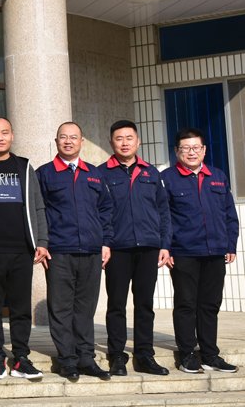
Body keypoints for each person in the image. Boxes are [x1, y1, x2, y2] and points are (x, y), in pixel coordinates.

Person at [0, 117, 48, 380]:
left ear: (12, 136)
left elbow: (38, 206)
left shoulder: (24, 167)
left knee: (20, 308)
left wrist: (41, 241)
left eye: (4, 133)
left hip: (21, 249)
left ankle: (21, 357)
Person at [36, 121, 114, 381]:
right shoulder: (44, 174)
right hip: (59, 251)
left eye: (73, 137)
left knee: (85, 308)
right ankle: (67, 360)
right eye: (63, 137)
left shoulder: (95, 174)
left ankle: (86, 358)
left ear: (82, 141)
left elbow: (106, 210)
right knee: (60, 308)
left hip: (91, 251)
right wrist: (42, 243)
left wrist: (105, 242)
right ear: (56, 141)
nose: (68, 141)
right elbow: (38, 212)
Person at [161, 127, 239, 374]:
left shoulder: (217, 176)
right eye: (186, 148)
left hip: (215, 251)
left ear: (204, 150)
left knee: (210, 304)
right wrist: (166, 247)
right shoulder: (167, 179)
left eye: (196, 147)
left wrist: (230, 244)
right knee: (186, 303)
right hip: (183, 252)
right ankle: (187, 354)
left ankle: (210, 354)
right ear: (177, 151)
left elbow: (229, 213)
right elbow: (163, 217)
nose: (191, 152)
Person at [100, 120, 171, 376]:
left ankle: (144, 355)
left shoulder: (151, 173)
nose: (124, 143)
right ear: (111, 142)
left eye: (129, 138)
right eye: (119, 138)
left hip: (148, 247)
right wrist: (104, 242)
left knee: (145, 304)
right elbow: (98, 212)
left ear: (138, 142)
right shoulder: (100, 173)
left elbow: (163, 211)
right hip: (117, 249)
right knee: (116, 305)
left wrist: (165, 244)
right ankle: (117, 355)